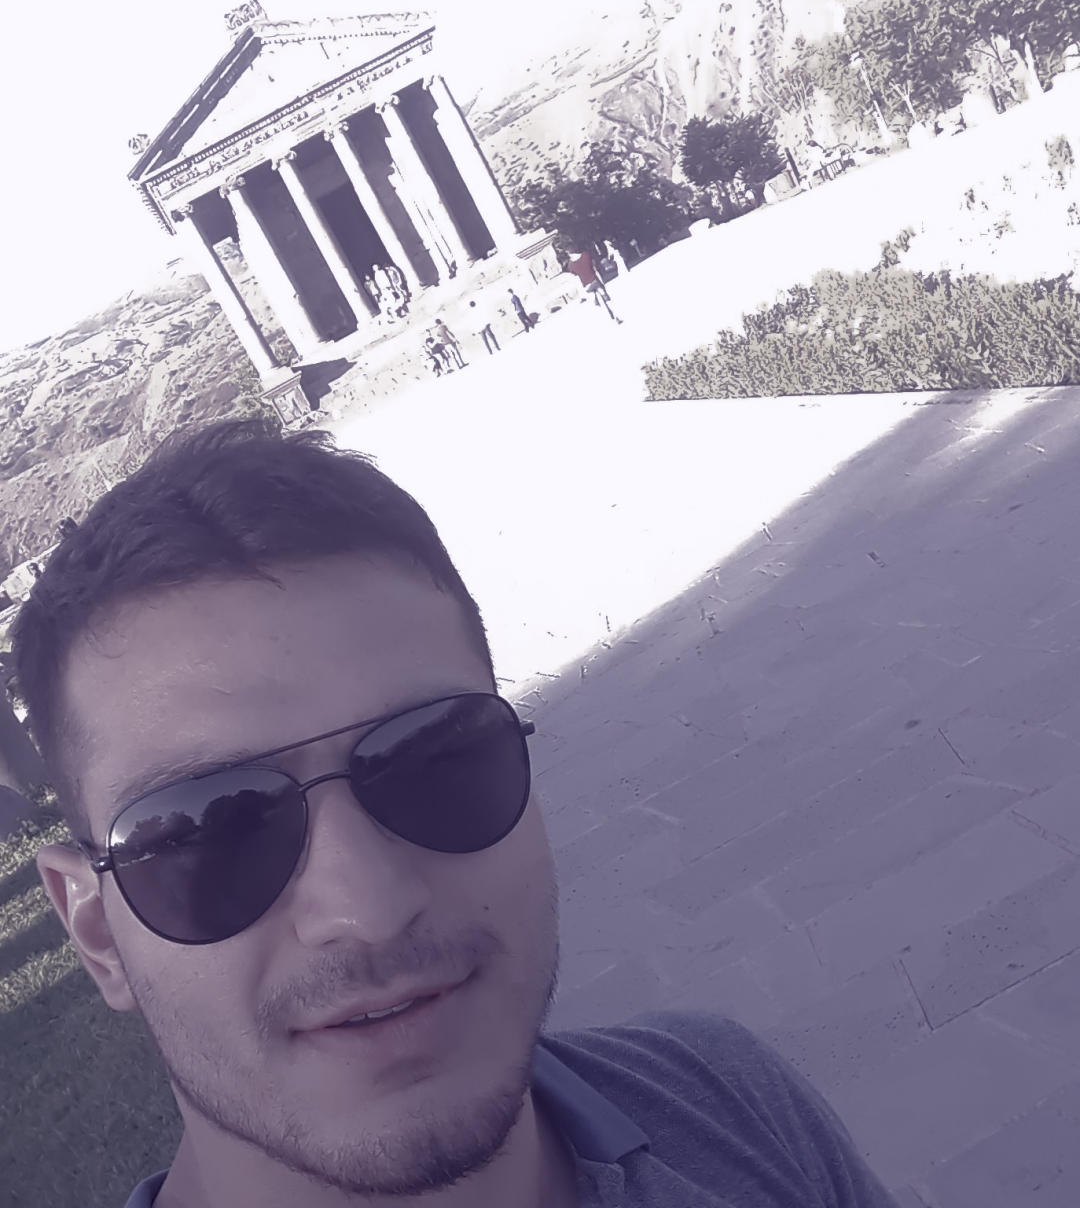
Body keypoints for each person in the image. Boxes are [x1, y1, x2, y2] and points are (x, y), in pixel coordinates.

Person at [12, 419, 900, 1208]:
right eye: (213, 829)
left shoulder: (724, 1097)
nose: (367, 905)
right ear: (97, 934)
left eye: (434, 760)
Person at [563, 248, 621, 324]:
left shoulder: (570, 265)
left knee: (596, 304)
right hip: (595, 281)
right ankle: (617, 316)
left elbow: (576, 276)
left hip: (587, 287)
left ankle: (606, 319)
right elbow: (595, 269)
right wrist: (602, 282)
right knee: (607, 298)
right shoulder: (585, 255)